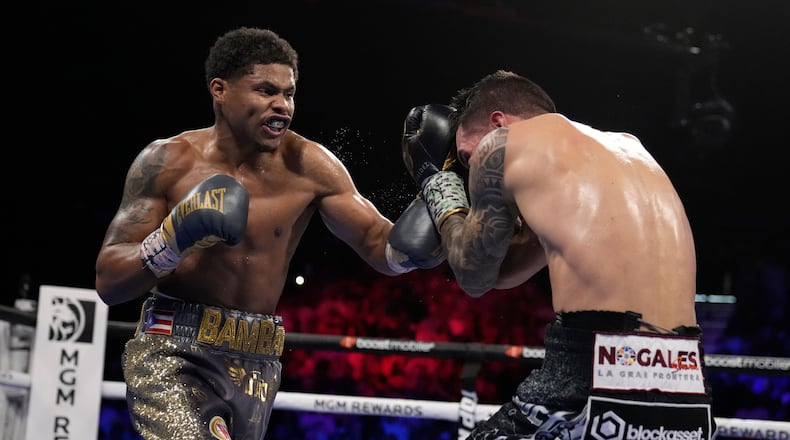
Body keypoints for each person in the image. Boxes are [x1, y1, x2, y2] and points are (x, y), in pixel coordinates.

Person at [94, 27, 443, 440]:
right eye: (265, 91)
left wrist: (431, 222)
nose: (283, 106)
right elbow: (109, 282)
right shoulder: (168, 161)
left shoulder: (310, 165)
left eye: (289, 93)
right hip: (173, 350)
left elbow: (380, 246)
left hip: (257, 358)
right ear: (220, 90)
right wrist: (172, 239)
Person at [403, 70, 718, 439]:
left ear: (498, 122)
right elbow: (500, 275)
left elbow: (474, 276)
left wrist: (439, 188)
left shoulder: (499, 147)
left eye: (464, 156)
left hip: (594, 371)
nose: (467, 169)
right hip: (687, 383)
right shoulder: (629, 149)